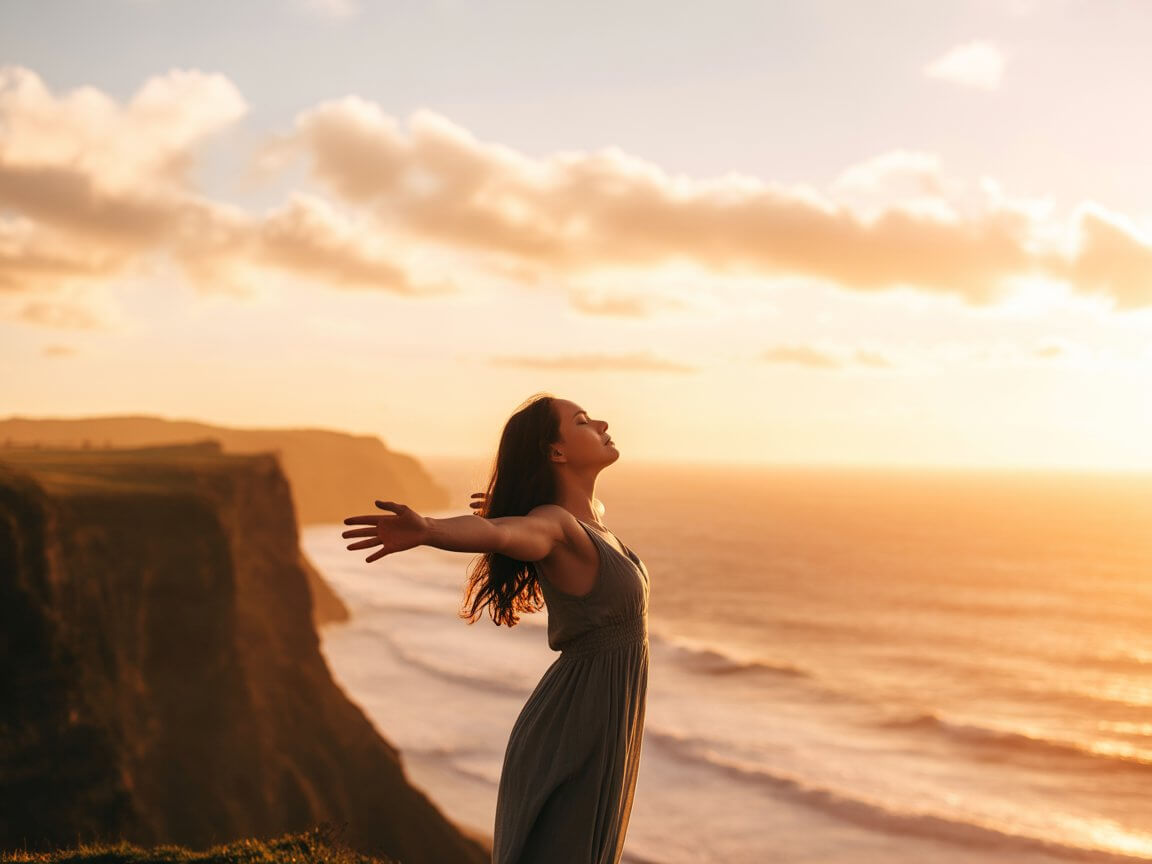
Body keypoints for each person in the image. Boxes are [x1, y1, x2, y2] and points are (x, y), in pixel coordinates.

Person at [341, 393, 650, 864]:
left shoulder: (592, 518)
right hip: (577, 722)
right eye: (583, 421)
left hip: (606, 717)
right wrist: (430, 529)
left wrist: (509, 508)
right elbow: (500, 535)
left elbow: (508, 524)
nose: (603, 423)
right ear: (556, 451)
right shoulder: (554, 526)